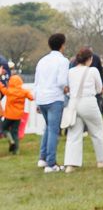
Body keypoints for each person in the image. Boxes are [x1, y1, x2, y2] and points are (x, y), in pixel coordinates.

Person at [64, 47, 103, 171]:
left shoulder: (70, 72)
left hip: (74, 103)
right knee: (97, 131)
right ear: (89, 59)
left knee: (74, 134)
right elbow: (99, 88)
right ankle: (101, 160)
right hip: (88, 101)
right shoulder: (93, 71)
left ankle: (70, 164)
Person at [33, 32, 70, 172]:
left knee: (48, 128)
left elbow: (37, 82)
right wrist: (66, 89)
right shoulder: (63, 61)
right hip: (55, 98)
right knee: (54, 130)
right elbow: (61, 81)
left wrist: (37, 101)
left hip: (42, 98)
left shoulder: (42, 61)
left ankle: (42, 158)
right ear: (62, 45)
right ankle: (51, 163)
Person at [2, 73, 34, 154]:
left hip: (9, 115)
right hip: (18, 116)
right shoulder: (24, 92)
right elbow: (31, 98)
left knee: (3, 129)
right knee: (15, 132)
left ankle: (11, 140)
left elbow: (1, 88)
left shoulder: (9, 91)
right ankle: (16, 151)